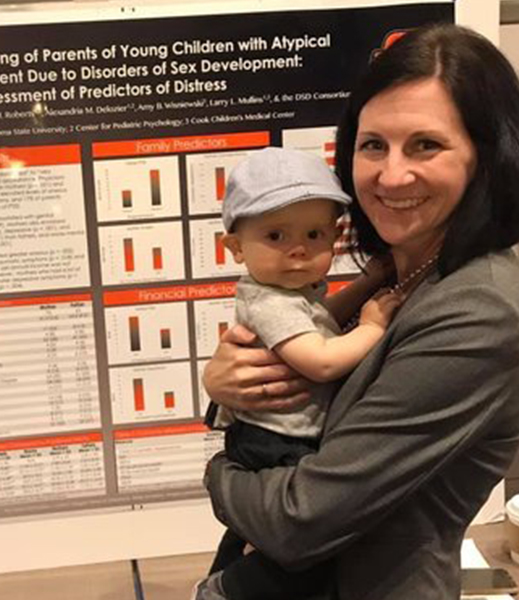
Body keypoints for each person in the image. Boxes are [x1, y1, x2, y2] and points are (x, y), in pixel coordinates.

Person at [200, 23, 519, 600]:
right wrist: (223, 385)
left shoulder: (482, 308)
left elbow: (299, 519)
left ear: (487, 155)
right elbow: (300, 365)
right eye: (373, 145)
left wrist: (220, 475)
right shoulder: (403, 272)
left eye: (427, 144)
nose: (391, 175)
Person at [197, 147, 400, 600]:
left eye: (314, 234)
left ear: (335, 234)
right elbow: (321, 359)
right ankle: (228, 590)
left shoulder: (284, 293)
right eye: (275, 235)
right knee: (297, 548)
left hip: (268, 436)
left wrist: (367, 282)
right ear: (234, 247)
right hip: (279, 441)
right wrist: (371, 327)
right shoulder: (272, 302)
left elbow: (320, 320)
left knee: (252, 536)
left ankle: (225, 577)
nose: (298, 249)